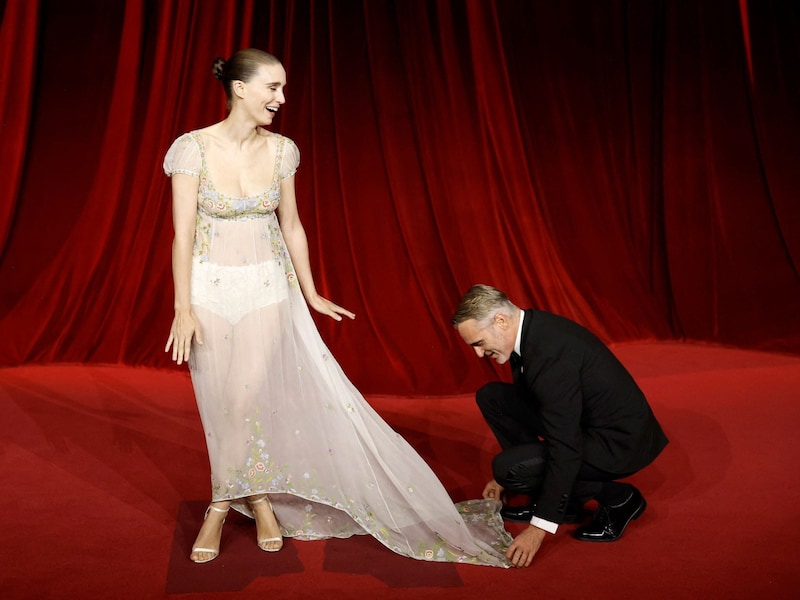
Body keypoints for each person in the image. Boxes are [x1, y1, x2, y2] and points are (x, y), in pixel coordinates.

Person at [163, 49, 511, 566]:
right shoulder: (192, 149)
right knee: (219, 403)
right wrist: (183, 308)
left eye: (283, 89)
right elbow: (182, 234)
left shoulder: (282, 151)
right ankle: (253, 496)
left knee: (247, 399)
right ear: (239, 88)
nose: (281, 99)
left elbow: (293, 225)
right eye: (273, 88)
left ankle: (228, 501)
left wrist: (309, 292)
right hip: (210, 291)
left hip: (265, 290)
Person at [451, 284, 668, 568]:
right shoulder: (531, 330)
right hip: (586, 423)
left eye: (478, 343)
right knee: (493, 398)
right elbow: (541, 405)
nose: (479, 354)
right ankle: (552, 494)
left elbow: (565, 446)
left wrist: (539, 527)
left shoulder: (550, 354)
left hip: (620, 443)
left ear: (500, 321)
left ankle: (620, 499)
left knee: (508, 468)